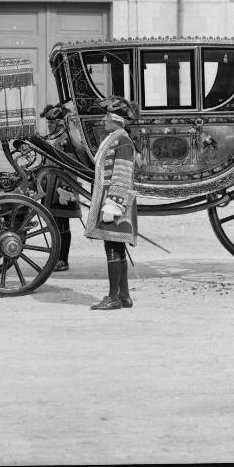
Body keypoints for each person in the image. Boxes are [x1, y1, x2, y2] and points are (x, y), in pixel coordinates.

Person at [84, 96, 139, 310]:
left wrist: (113, 204)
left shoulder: (122, 140)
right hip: (111, 200)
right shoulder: (116, 137)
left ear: (116, 119)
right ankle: (123, 296)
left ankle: (113, 297)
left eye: (107, 116)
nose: (104, 119)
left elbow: (122, 174)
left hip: (116, 203)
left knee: (113, 248)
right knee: (116, 247)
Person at [39, 102, 81, 271]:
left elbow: (71, 167)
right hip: (51, 186)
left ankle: (63, 260)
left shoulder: (67, 139)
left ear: (61, 123)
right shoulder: (54, 138)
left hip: (62, 187)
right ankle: (55, 258)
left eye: (53, 123)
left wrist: (65, 190)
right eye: (48, 123)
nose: (50, 126)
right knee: (54, 225)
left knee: (62, 225)